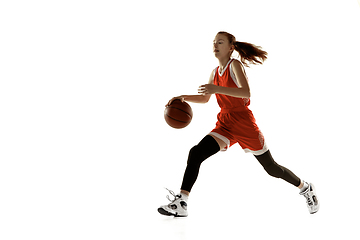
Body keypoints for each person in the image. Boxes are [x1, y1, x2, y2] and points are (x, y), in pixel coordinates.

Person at [158, 31, 319, 216]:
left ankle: (305, 187)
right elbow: (205, 99)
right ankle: (182, 202)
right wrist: (183, 97)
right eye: (214, 42)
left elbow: (246, 93)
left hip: (244, 123)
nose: (215, 45)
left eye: (220, 42)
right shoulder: (214, 72)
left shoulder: (235, 65)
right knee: (196, 152)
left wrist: (216, 88)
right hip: (225, 123)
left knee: (271, 168)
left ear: (231, 48)